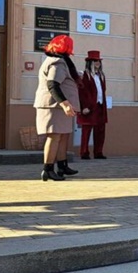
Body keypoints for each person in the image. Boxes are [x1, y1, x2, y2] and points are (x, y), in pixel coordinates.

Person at [33, 34, 81, 181]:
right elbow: (53, 84)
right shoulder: (58, 62)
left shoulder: (59, 61)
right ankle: (47, 169)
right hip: (54, 106)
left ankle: (62, 166)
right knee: (54, 137)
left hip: (59, 107)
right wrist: (65, 104)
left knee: (63, 135)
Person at [77, 50, 108, 160]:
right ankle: (84, 152)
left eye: (98, 61)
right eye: (95, 61)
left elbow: (102, 91)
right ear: (90, 62)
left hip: (100, 106)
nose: (97, 63)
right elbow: (82, 92)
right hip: (89, 106)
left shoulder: (101, 76)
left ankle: (98, 152)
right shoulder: (85, 75)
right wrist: (84, 106)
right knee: (86, 130)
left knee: (100, 130)